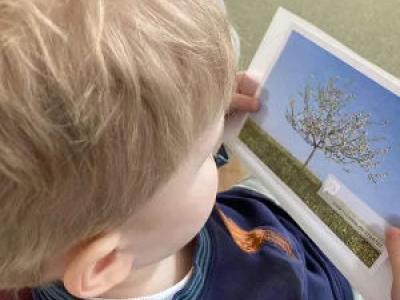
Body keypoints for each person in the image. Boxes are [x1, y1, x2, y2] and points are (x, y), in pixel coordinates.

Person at [0, 1, 398, 299]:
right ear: (105, 262)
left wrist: (195, 125)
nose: (219, 150)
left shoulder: (140, 230)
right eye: (205, 156)